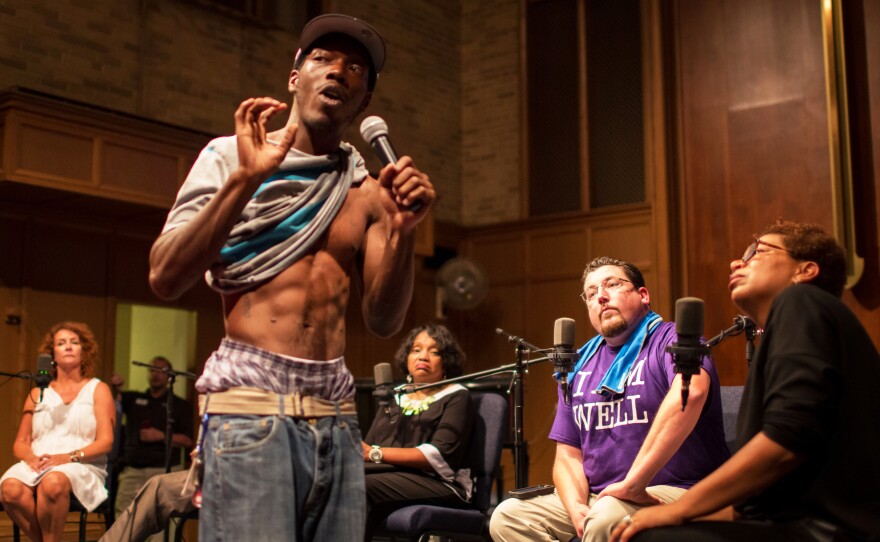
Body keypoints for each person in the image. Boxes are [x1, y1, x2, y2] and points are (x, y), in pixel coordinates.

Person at [147, 12, 435, 541]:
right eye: (323, 58)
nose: (338, 71)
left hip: (336, 414)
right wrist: (247, 179)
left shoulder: (366, 191)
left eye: (355, 68)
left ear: (365, 101)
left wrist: (403, 233)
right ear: (294, 77)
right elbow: (165, 276)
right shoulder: (228, 157)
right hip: (251, 407)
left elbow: (384, 320)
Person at [611, 220, 880, 542]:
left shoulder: (801, 300)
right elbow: (754, 505)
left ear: (805, 270)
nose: (736, 263)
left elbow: (789, 440)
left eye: (757, 252)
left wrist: (679, 510)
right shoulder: (797, 322)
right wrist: (669, 517)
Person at [490, 257, 730, 542]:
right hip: (602, 496)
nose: (601, 297)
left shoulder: (672, 339)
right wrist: (576, 507)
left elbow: (690, 394)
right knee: (508, 517)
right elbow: (568, 455)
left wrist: (633, 484)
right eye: (591, 294)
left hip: (680, 490)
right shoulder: (578, 365)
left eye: (612, 285)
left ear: (643, 295)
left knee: (606, 515)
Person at [0, 322, 116, 542]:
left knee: (52, 482)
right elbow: (21, 442)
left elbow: (105, 442)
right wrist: (31, 458)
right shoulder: (38, 393)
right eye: (61, 343)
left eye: (74, 342)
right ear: (52, 354)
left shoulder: (97, 389)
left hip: (81, 464)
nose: (68, 347)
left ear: (84, 351)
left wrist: (67, 457)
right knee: (10, 489)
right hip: (39, 463)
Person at [362, 324, 474, 540]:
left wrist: (375, 453)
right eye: (416, 350)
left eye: (435, 352)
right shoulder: (393, 397)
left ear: (447, 361)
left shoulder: (457, 396)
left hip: (441, 484)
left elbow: (439, 455)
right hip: (392, 477)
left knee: (360, 487)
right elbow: (369, 446)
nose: (423, 356)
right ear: (407, 358)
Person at [111, 356, 194, 536]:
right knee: (122, 521)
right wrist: (116, 387)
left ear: (170, 376)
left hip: (162, 472)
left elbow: (188, 441)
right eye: (152, 370)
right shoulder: (135, 399)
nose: (155, 374)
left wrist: (161, 436)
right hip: (132, 471)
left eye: (161, 371)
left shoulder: (180, 405)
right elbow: (114, 400)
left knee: (159, 526)